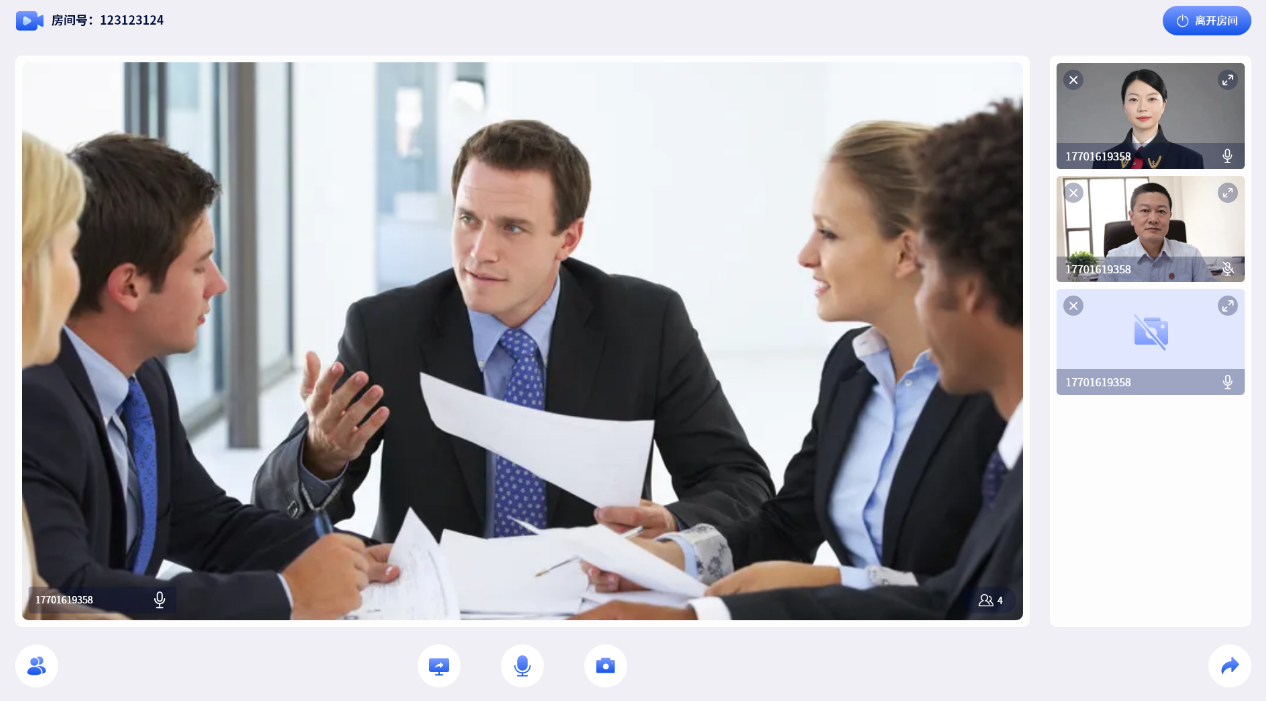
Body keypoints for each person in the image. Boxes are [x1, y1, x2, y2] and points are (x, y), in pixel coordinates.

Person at [574, 100, 1024, 620]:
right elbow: (786, 527)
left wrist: (830, 582)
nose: (805, 255)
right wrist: (674, 556)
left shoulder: (997, 384)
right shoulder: (852, 367)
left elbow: (991, 594)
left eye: (828, 233)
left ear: (907, 252)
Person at [252, 120, 774, 543]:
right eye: (468, 219)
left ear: (568, 239)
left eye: (513, 227)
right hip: (437, 603)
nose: (480, 252)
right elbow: (269, 517)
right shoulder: (386, 329)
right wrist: (321, 455)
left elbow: (741, 484)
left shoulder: (646, 323)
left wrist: (675, 525)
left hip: (593, 599)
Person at [22, 133, 399, 620]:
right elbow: (64, 594)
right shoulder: (34, 401)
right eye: (200, 267)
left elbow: (210, 527)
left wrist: (351, 555)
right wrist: (286, 596)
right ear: (129, 286)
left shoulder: (143, 382)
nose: (219, 284)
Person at [20, 132, 126, 621]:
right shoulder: (36, 403)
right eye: (70, 251)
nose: (77, 276)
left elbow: (36, 598)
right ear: (26, 268)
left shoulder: (147, 383)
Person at [1097, 182, 1214, 282]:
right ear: (1132, 217)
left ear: (1169, 217)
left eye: (1161, 211)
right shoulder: (1114, 260)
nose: (1153, 219)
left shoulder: (1191, 256)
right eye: (1145, 210)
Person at [1093, 69, 1204, 169]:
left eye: (1151, 99)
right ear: (1124, 106)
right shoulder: (1103, 161)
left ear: (1163, 105)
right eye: (1133, 99)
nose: (1142, 108)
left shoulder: (1190, 161)